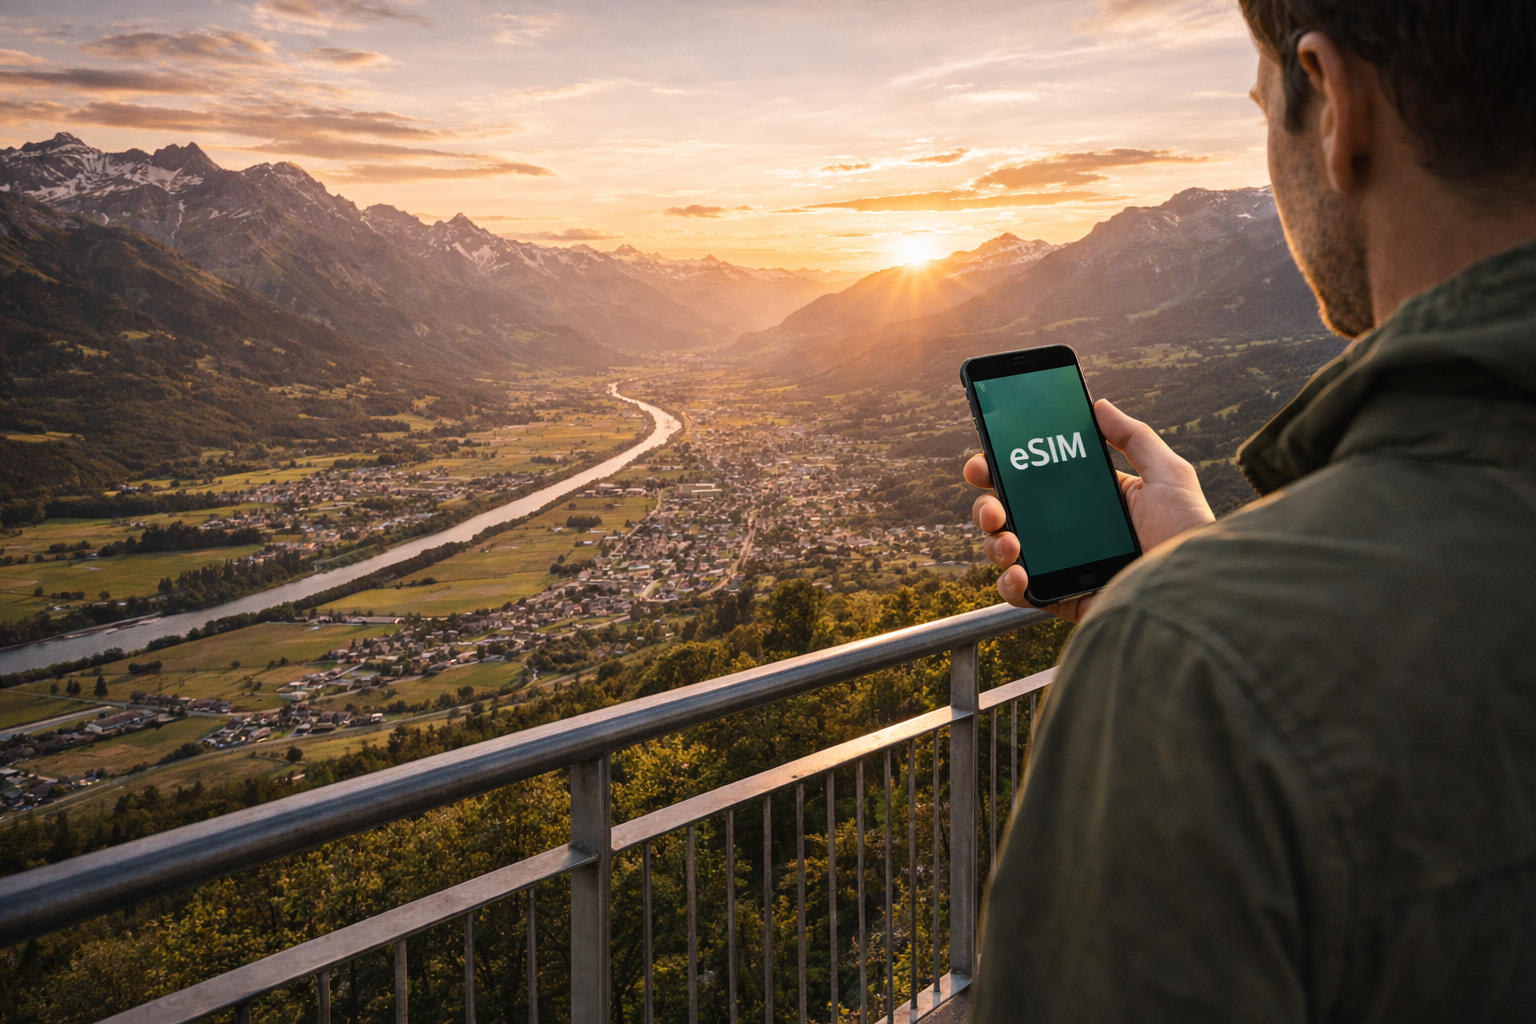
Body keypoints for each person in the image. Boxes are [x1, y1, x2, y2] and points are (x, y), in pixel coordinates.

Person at [969, 0, 1536, 1019]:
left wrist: (1190, 626)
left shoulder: (1191, 676)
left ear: (1333, 102)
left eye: (1260, 104)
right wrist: (1194, 569)